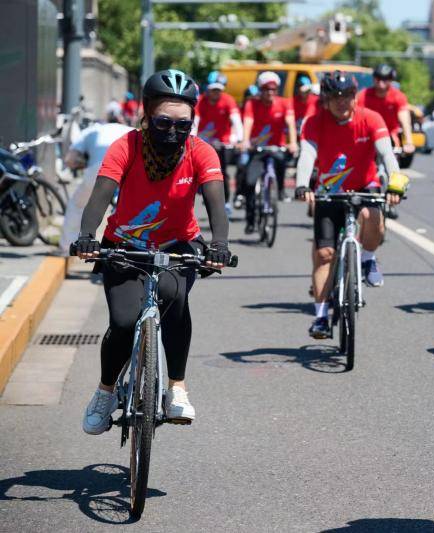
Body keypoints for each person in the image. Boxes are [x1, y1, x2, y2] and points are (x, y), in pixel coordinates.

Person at [73, 69, 232, 434]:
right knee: (124, 322)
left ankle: (176, 387)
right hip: (124, 246)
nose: (173, 132)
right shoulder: (126, 146)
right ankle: (105, 392)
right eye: (163, 123)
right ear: (147, 116)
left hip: (178, 245)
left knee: (175, 300)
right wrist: (86, 235)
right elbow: (100, 195)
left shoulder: (201, 152)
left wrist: (219, 245)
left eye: (183, 124)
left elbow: (215, 205)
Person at [294, 71, 408, 339]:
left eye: (347, 96)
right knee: (324, 255)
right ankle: (321, 317)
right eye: (335, 96)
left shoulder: (370, 118)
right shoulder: (314, 121)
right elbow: (307, 155)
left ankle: (368, 260)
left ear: (355, 97)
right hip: (328, 192)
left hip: (364, 186)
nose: (341, 101)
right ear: (325, 99)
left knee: (371, 214)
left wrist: (395, 184)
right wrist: (302, 185)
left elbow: (387, 155)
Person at [58, 104, 134, 254]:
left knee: (77, 205)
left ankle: (67, 247)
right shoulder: (131, 131)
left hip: (98, 169)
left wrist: (82, 164)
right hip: (128, 172)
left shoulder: (92, 130)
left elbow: (70, 159)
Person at [240, 71, 297, 231]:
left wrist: (292, 142)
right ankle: (251, 220)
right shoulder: (252, 104)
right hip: (257, 150)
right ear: (260, 90)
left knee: (282, 162)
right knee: (250, 182)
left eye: (273, 89)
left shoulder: (285, 103)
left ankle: (279, 191)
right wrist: (245, 141)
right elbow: (248, 122)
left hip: (276, 148)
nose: (269, 93)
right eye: (266, 89)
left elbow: (291, 124)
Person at [194, 71, 243, 213]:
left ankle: (226, 201)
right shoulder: (200, 101)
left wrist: (240, 139)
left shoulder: (228, 100)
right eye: (213, 89)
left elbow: (236, 120)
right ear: (207, 88)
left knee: (223, 172)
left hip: (223, 142)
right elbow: (194, 123)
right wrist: (191, 139)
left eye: (218, 90)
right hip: (203, 141)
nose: (215, 93)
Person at [356, 64, 414, 156]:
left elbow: (405, 121)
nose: (381, 82)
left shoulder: (398, 96)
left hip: (390, 135)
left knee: (391, 157)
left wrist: (409, 142)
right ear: (374, 78)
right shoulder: (363, 96)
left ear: (391, 80)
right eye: (378, 78)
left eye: (385, 78)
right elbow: (355, 118)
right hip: (367, 136)